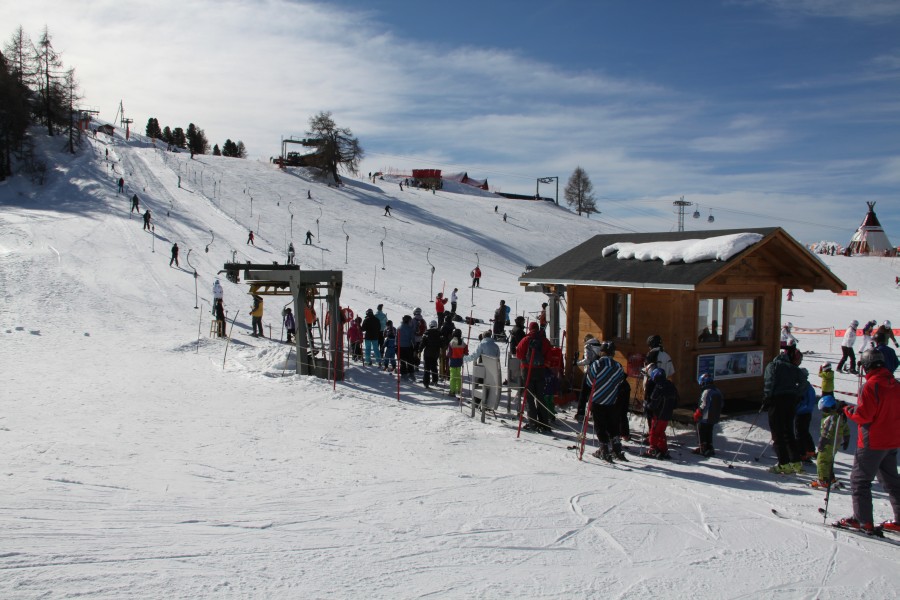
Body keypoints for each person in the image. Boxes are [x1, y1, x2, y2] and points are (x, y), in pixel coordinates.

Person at [836, 348, 900, 534]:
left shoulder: (871, 386)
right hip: (892, 440)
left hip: (873, 442)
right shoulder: (894, 384)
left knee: (860, 481)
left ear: (866, 366)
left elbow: (864, 415)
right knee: (892, 481)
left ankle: (862, 520)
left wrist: (847, 410)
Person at [763, 346, 807, 474]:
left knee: (777, 432)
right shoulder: (793, 368)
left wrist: (767, 397)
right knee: (788, 431)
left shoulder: (773, 366)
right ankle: (796, 462)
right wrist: (797, 394)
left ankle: (783, 463)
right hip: (791, 401)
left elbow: (769, 382)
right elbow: (804, 383)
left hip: (777, 400)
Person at [584, 341, 626, 461]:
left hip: (597, 399)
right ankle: (617, 448)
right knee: (613, 424)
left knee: (600, 425)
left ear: (602, 351)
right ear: (612, 353)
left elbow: (589, 381)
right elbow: (620, 382)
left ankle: (604, 449)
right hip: (612, 400)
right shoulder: (618, 366)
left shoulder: (596, 364)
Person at [516, 322, 553, 433]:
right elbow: (549, 356)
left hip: (527, 371)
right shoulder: (544, 341)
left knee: (529, 398)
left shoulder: (526, 340)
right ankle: (544, 423)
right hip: (540, 371)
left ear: (530, 328)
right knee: (541, 397)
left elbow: (518, 354)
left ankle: (533, 423)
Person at [811, 394, 850, 489]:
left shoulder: (830, 418)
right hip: (836, 442)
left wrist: (822, 442)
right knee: (829, 460)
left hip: (828, 443)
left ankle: (823, 480)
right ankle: (830, 478)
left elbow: (826, 432)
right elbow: (845, 428)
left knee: (822, 461)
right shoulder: (839, 416)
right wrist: (846, 438)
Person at [644, 367, 678, 459]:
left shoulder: (659, 387)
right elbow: (676, 401)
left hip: (658, 414)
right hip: (667, 413)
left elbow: (654, 403)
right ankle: (663, 449)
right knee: (661, 431)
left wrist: (647, 406)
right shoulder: (671, 385)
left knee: (654, 432)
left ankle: (653, 449)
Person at [693, 372, 723, 457]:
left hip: (705, 416)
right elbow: (722, 403)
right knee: (709, 430)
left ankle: (702, 446)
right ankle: (709, 446)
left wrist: (698, 413)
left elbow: (704, 404)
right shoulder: (717, 390)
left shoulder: (706, 391)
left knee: (701, 429)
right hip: (714, 416)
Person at [575, 333, 603, 421]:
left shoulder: (588, 346)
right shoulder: (600, 345)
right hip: (599, 372)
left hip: (589, 372)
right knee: (595, 394)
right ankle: (594, 413)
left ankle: (580, 413)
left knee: (583, 393)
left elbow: (587, 360)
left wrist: (577, 363)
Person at [795, 364, 817, 461]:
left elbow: (809, 402)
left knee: (800, 432)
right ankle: (810, 450)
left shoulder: (806, 387)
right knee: (804, 431)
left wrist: (798, 408)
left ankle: (802, 453)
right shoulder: (803, 386)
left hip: (803, 413)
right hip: (804, 412)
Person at [421, 320, 443, 388]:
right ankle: (435, 381)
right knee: (434, 367)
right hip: (435, 353)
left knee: (427, 368)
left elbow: (423, 343)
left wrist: (419, 349)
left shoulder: (427, 333)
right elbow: (442, 344)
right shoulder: (439, 333)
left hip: (427, 353)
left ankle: (426, 382)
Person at [447, 329, 468, 398]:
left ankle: (452, 391)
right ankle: (458, 390)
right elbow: (466, 352)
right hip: (460, 361)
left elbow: (449, 354)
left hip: (453, 361)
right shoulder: (463, 342)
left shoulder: (452, 342)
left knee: (452, 376)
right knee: (458, 376)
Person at [397, 315, 417, 380]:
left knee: (402, 361)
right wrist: (415, 347)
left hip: (400, 347)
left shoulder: (399, 328)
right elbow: (413, 339)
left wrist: (396, 346)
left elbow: (396, 339)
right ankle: (411, 374)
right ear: (408, 321)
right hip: (408, 347)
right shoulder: (410, 329)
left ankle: (404, 374)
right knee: (410, 361)